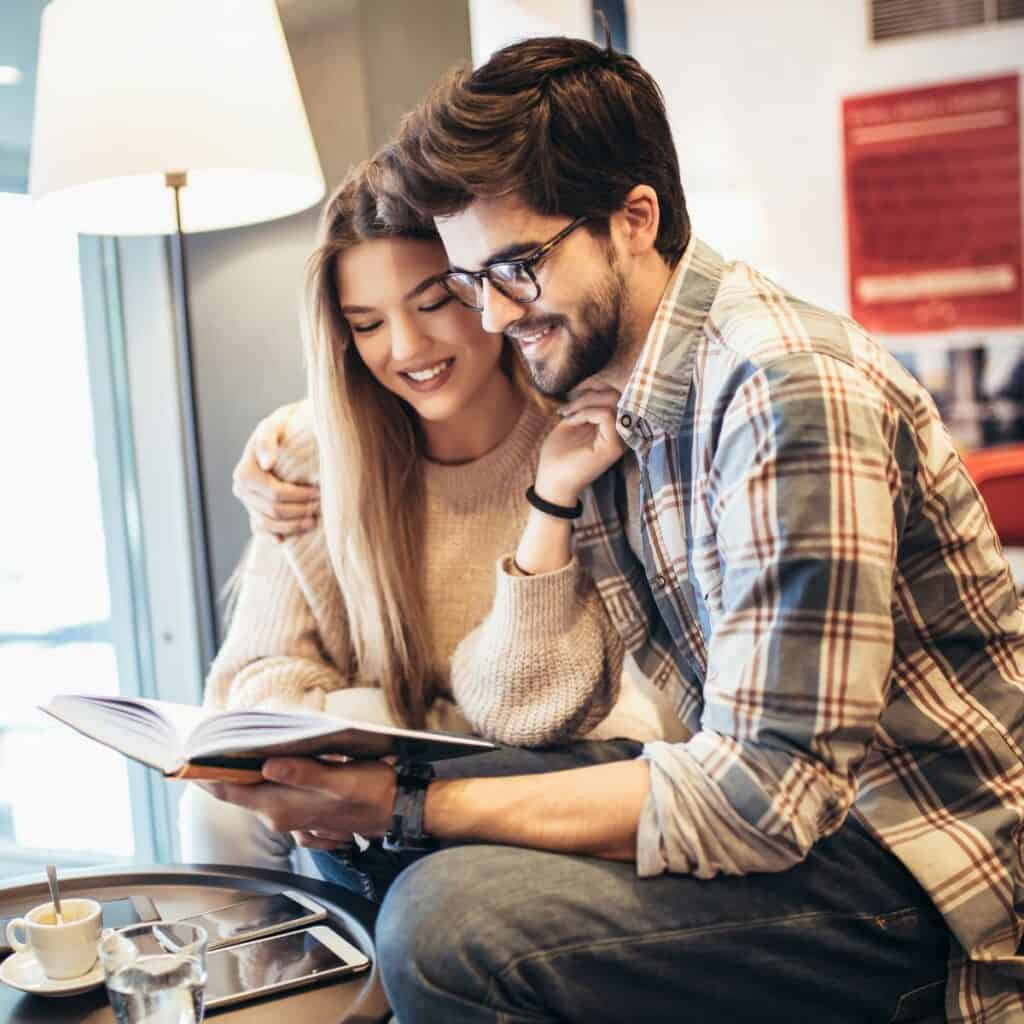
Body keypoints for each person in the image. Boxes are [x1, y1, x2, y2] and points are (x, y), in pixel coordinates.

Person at [203, 35, 1024, 1024]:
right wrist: (298, 441)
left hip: (914, 871)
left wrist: (411, 807)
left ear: (634, 219)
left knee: (442, 917)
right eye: (470, 281)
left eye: (515, 268)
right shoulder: (613, 387)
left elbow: (768, 795)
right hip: (810, 823)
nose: (496, 314)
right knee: (424, 815)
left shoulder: (780, 390)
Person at [181, 157, 685, 883]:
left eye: (433, 303)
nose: (407, 350)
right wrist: (344, 750)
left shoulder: (581, 444)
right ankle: (255, 990)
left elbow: (545, 714)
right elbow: (253, 680)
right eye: (367, 323)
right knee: (221, 802)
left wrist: (374, 739)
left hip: (542, 765)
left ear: (490, 290)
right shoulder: (305, 451)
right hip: (377, 772)